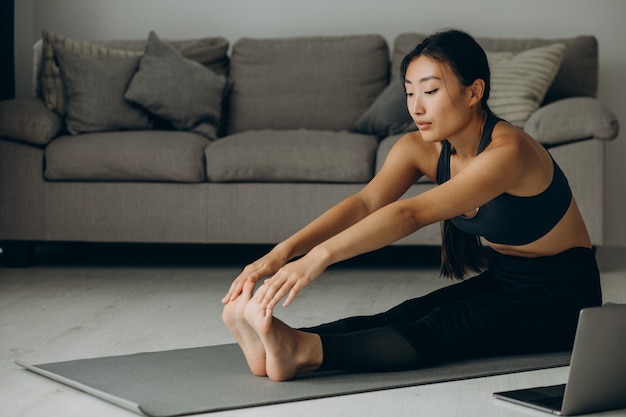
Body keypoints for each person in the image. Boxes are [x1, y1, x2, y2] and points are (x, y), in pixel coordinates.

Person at [221, 29, 602, 382]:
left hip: (567, 297)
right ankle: (283, 342)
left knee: (452, 322)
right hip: (505, 278)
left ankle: (303, 352)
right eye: (409, 92)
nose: (416, 107)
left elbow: (410, 213)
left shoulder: (509, 151)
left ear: (474, 92)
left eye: (430, 91)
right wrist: (283, 253)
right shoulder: (418, 148)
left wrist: (317, 259)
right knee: (410, 313)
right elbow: (365, 203)